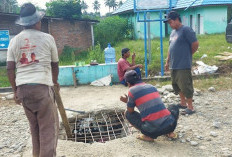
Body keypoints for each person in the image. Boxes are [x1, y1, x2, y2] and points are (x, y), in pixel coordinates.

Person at [7, 3, 59, 157]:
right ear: (37, 22)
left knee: (35, 129)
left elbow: (10, 68)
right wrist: (54, 83)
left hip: (23, 90)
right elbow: (55, 65)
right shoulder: (48, 38)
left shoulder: (14, 41)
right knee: (48, 131)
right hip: (42, 88)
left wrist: (15, 91)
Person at [120, 70, 179, 142]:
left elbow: (130, 111)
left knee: (127, 113)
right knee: (173, 106)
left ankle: (147, 136)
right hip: (171, 125)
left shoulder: (132, 91)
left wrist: (127, 102)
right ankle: (170, 132)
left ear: (128, 83)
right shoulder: (151, 87)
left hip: (153, 131)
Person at [164, 11, 199, 115]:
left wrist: (188, 54)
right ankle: (183, 103)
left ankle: (190, 107)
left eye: (170, 22)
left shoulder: (186, 30)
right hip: (173, 64)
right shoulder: (173, 33)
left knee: (186, 86)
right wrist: (167, 61)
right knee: (176, 85)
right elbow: (170, 48)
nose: (170, 25)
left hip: (183, 65)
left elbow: (195, 44)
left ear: (176, 20)